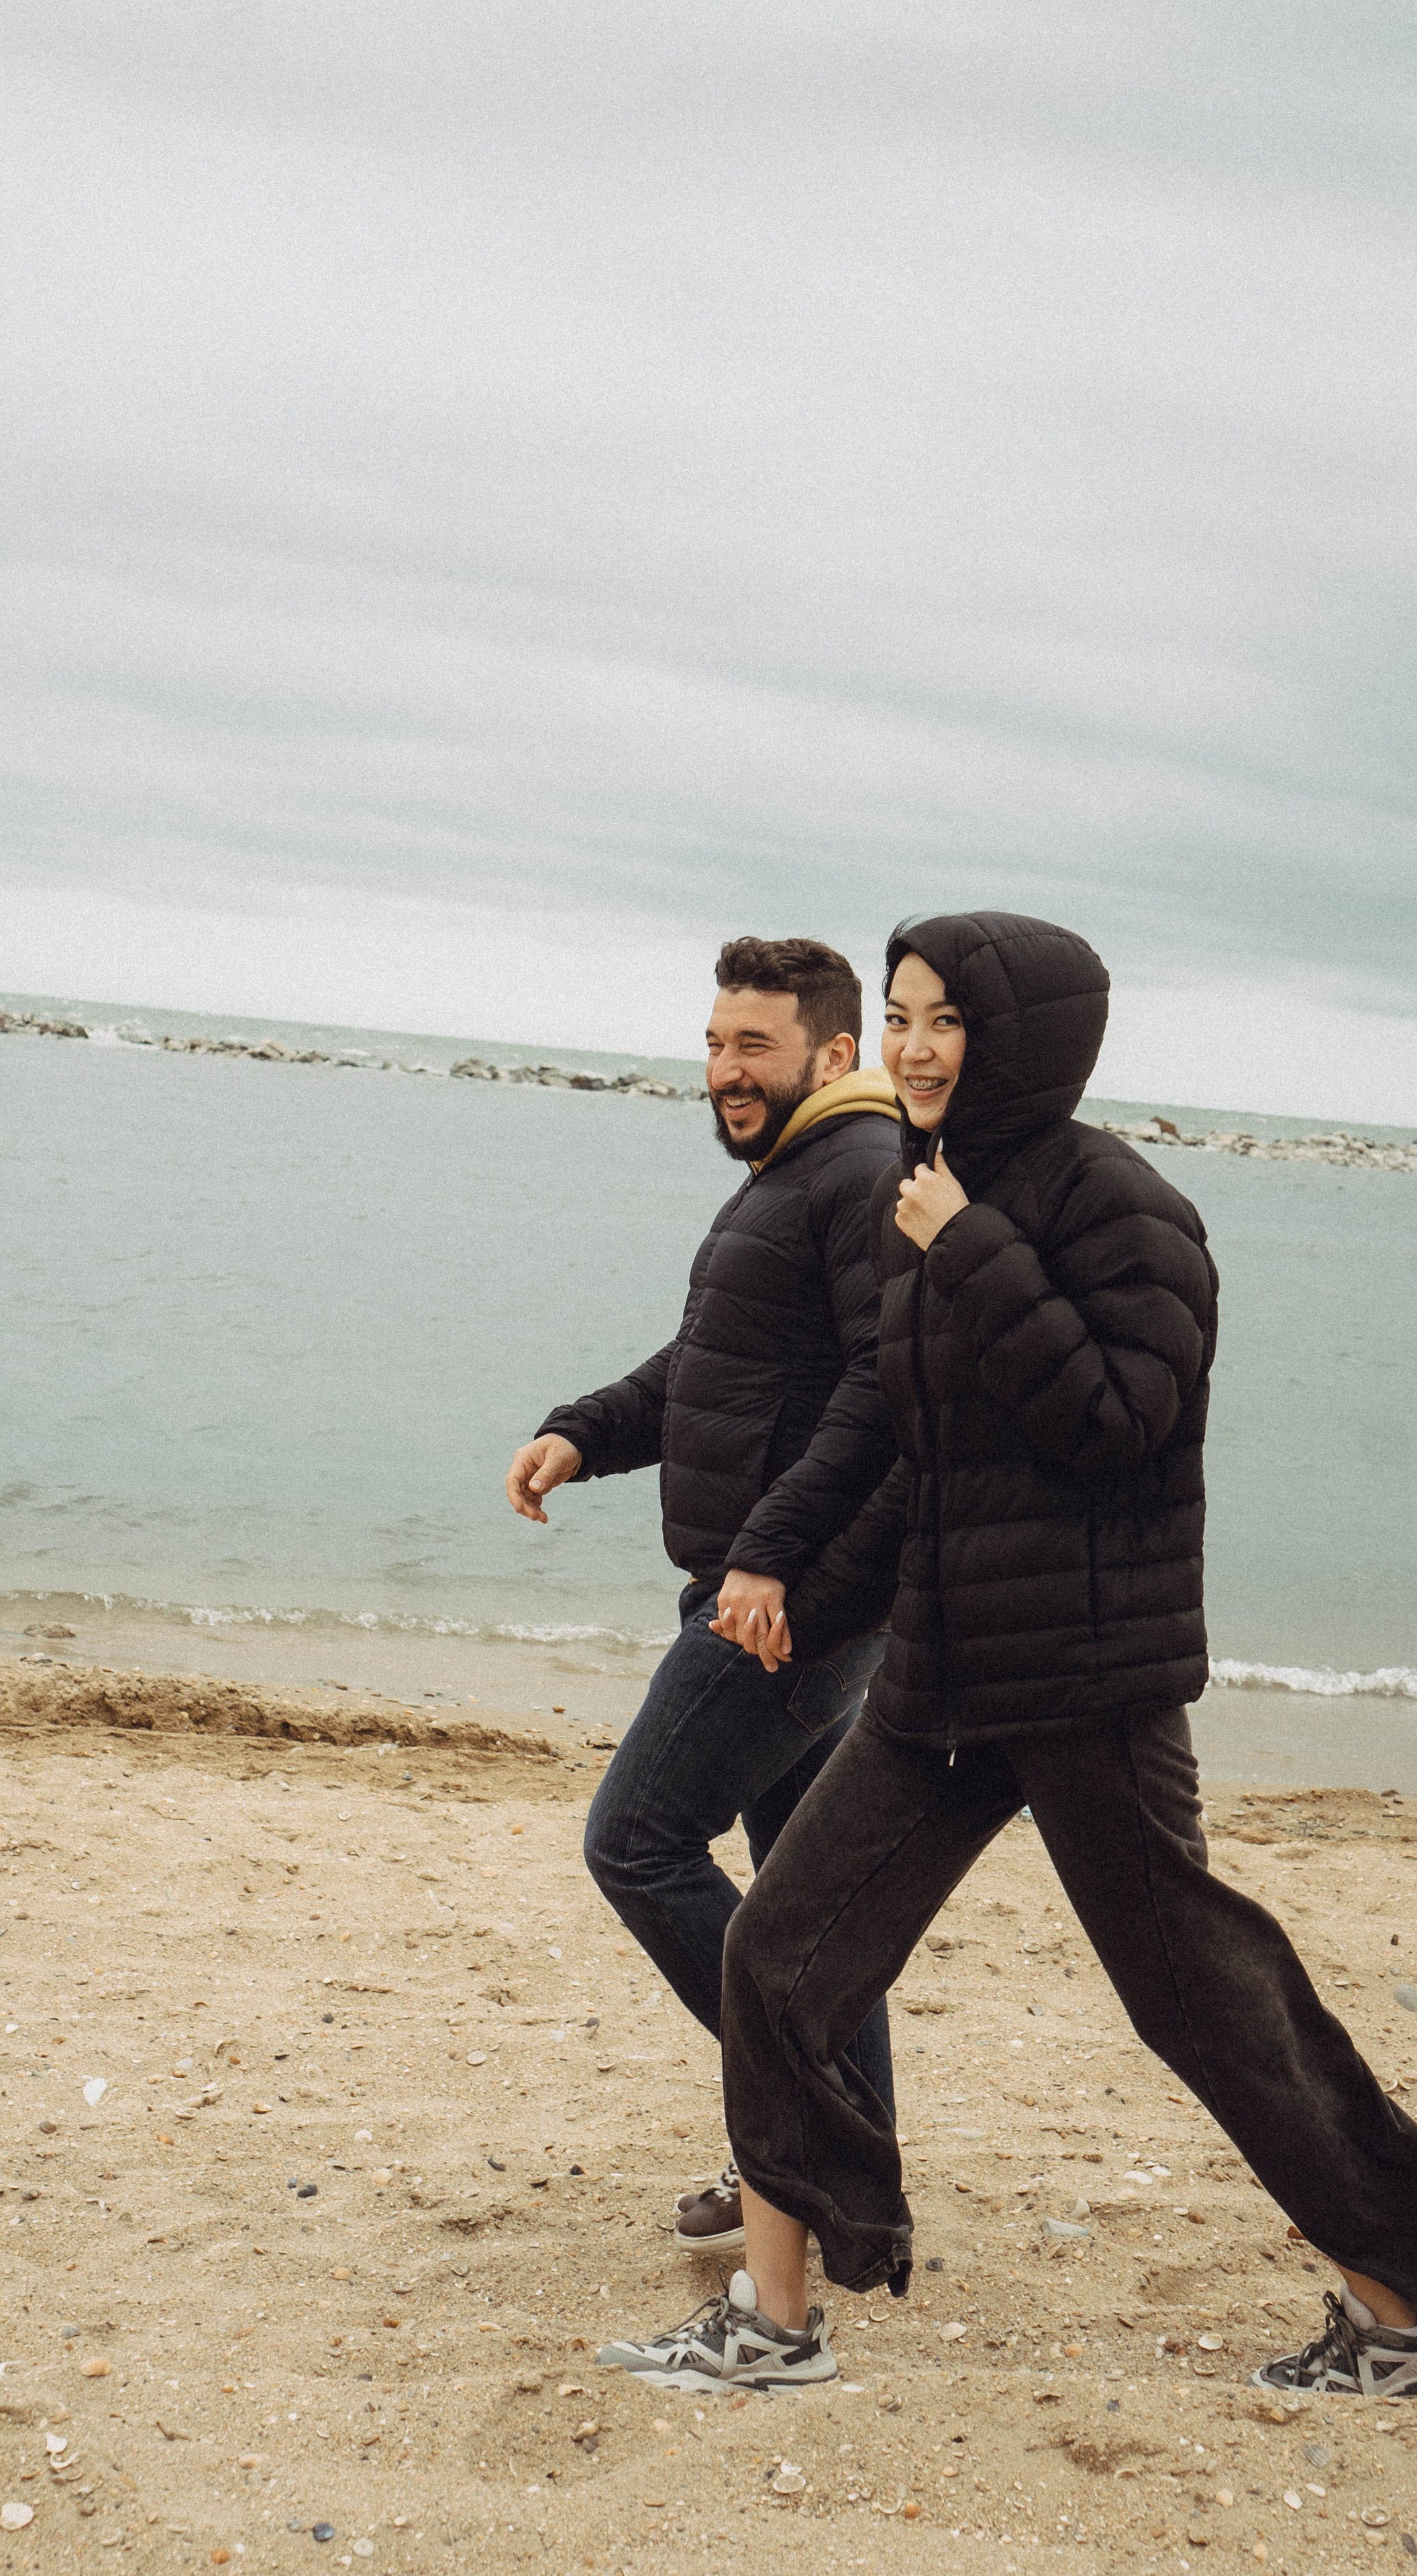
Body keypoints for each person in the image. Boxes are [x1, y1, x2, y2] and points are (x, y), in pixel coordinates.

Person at [599, 909, 1417, 2397]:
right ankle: (775, 2325)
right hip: (941, 1672)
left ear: (1018, 1036)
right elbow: (892, 1436)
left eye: (943, 1021)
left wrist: (972, 1250)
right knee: (778, 1961)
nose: (912, 1048)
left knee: (1200, 1997)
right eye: (899, 1017)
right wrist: (776, 1556)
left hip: (1087, 1681)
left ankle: (1398, 2303)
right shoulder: (917, 1194)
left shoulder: (1118, 1208)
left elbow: (1117, 1424)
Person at [506, 935, 902, 2251]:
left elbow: (882, 1393)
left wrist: (780, 1564)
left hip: (780, 1609)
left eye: (754, 1047)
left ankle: (808, 2137)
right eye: (714, 1045)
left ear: (832, 1055)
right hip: (772, 1595)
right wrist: (585, 1430)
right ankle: (841, 2170)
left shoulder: (854, 1175)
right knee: (803, 1899)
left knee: (634, 1841)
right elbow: (709, 1366)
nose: (725, 1072)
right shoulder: (788, 1179)